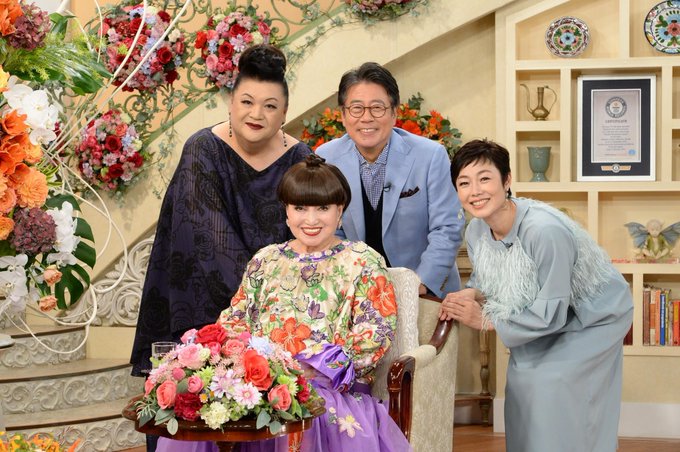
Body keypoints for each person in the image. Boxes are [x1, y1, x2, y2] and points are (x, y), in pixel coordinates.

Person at [156, 154, 411, 452]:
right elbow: (234, 321)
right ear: (286, 211)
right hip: (258, 388)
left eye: (323, 208)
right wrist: (242, 368)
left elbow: (375, 333)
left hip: (328, 393)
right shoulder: (265, 260)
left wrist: (310, 369)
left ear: (340, 211)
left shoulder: (363, 261)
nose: (311, 220)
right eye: (300, 208)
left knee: (303, 415)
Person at [130, 44, 311, 449]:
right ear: (230, 103)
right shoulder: (203, 149)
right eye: (246, 101)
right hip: (206, 307)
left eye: (270, 106)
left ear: (284, 112)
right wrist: (256, 311)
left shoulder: (301, 157)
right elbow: (210, 242)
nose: (256, 114)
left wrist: (281, 315)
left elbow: (311, 234)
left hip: (279, 312)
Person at [440, 139, 633, 452]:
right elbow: (488, 278)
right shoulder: (476, 231)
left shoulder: (544, 231)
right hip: (544, 311)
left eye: (485, 178)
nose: (475, 191)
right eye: (464, 183)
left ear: (507, 180)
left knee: (552, 385)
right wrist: (470, 294)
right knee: (523, 386)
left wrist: (486, 320)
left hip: (594, 316)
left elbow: (551, 314)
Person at [316, 62, 464, 298]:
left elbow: (446, 228)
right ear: (343, 115)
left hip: (425, 290)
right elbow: (331, 230)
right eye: (356, 108)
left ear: (394, 113)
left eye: (377, 108)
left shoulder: (430, 156)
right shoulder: (327, 157)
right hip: (357, 291)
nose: (367, 118)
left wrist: (419, 285)